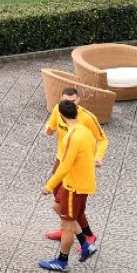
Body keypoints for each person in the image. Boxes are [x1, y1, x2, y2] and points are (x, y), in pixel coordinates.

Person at [40, 100, 100, 271]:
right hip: (80, 183)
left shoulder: (71, 136)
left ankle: (62, 261)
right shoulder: (85, 131)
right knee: (57, 207)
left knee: (67, 225)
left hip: (74, 187)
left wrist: (49, 186)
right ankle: (84, 242)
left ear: (61, 115)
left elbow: (65, 165)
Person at [42, 86, 105, 244]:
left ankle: (88, 236)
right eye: (65, 101)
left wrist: (98, 156)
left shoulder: (87, 118)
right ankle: (66, 229)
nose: (68, 105)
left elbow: (102, 139)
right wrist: (49, 130)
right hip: (60, 161)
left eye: (72, 102)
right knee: (60, 204)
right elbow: (52, 125)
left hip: (76, 167)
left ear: (79, 100)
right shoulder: (59, 109)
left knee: (69, 205)